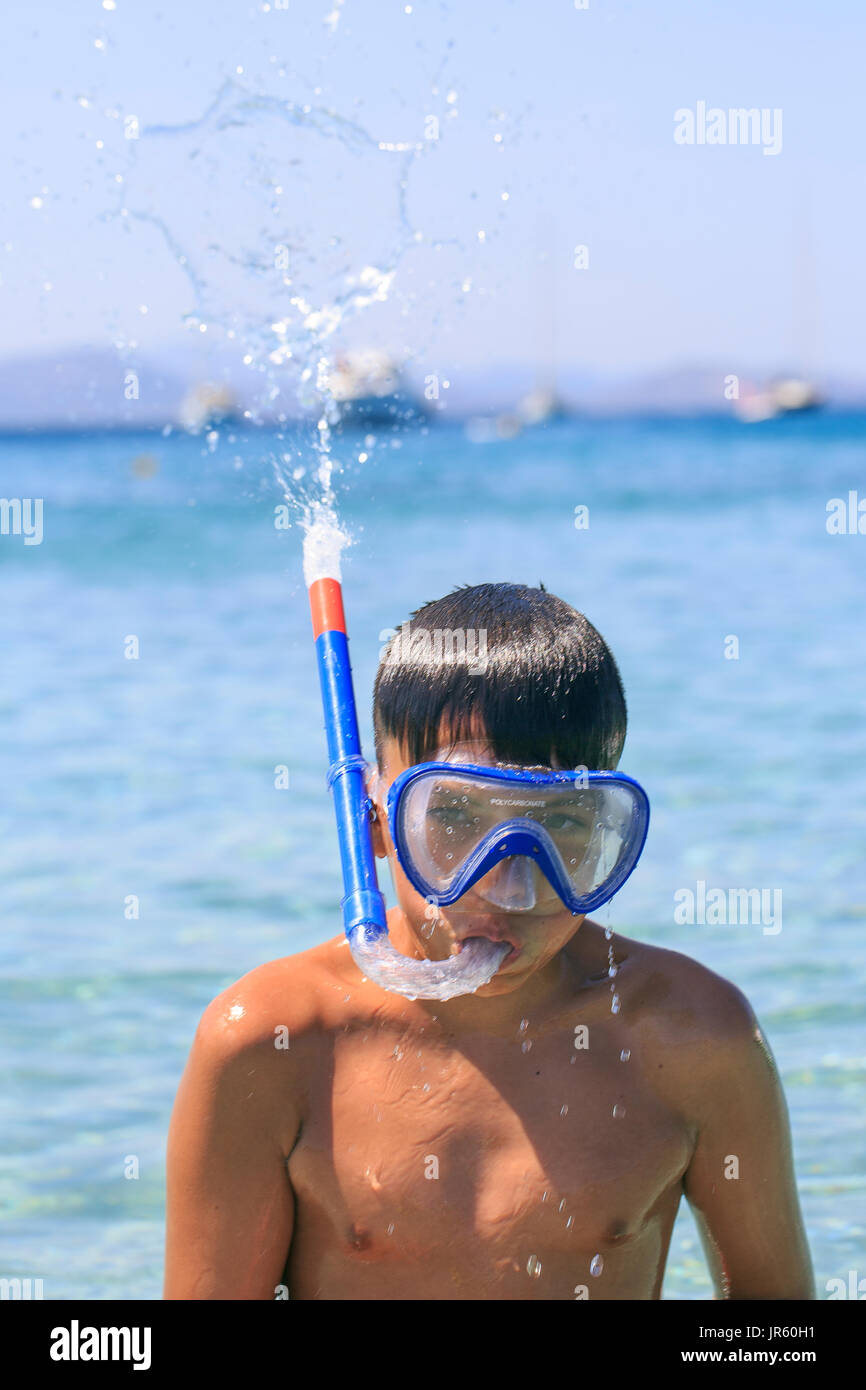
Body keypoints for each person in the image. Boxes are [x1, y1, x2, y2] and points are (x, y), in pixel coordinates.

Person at [163, 582, 814, 1300]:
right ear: (375, 822)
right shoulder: (270, 1043)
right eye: (457, 815)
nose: (510, 886)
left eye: (562, 822)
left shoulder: (693, 1036)